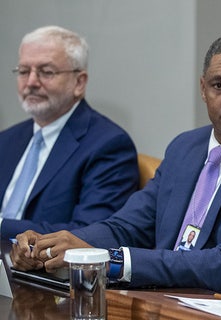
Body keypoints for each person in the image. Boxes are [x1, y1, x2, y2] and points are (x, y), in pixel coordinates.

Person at [11, 32, 221, 306]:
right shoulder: (186, 147)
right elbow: (126, 227)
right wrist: (51, 248)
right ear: (203, 88)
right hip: (160, 300)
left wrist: (112, 262)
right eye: (219, 85)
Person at [0, 25, 138, 240]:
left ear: (79, 82)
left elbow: (88, 232)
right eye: (24, 71)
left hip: (43, 270)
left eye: (46, 72)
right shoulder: (7, 140)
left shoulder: (109, 145)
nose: (31, 82)